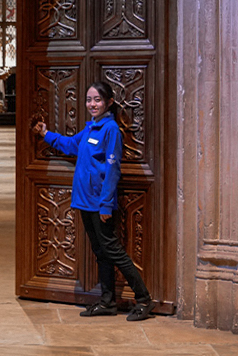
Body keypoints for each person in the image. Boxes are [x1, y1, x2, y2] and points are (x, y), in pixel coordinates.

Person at [32, 81, 154, 321]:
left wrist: (106, 204)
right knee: (101, 252)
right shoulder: (91, 128)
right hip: (84, 201)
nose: (92, 104)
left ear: (108, 102)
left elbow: (112, 170)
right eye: (89, 99)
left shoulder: (110, 130)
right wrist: (45, 133)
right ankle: (107, 301)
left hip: (100, 204)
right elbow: (69, 144)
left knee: (114, 251)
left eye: (97, 99)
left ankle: (144, 299)